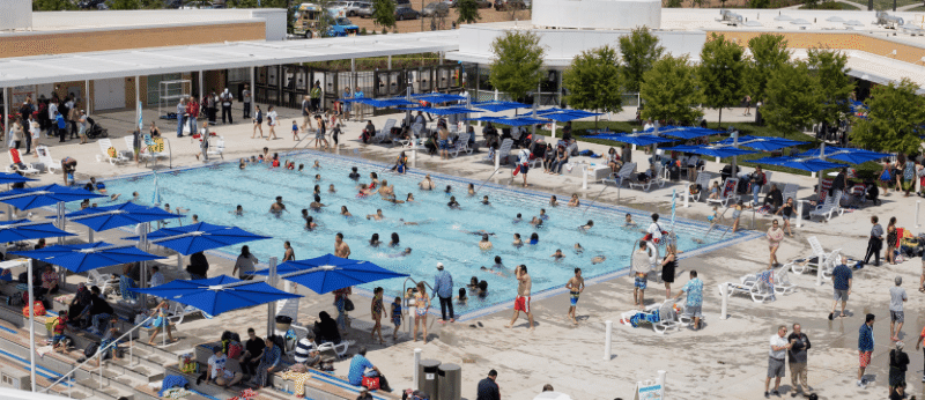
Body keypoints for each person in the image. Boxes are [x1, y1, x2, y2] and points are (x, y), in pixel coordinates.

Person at [765, 325, 792, 398]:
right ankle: (766, 391)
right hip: (774, 359)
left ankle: (776, 390)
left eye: (786, 331)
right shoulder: (774, 338)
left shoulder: (785, 339)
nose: (785, 332)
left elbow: (788, 347)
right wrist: (784, 347)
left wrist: (791, 345)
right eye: (784, 331)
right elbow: (774, 348)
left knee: (779, 377)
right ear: (779, 331)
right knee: (769, 376)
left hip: (782, 360)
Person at [506, 265, 535, 330]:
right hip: (519, 296)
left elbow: (518, 278)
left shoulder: (526, 276)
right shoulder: (521, 275)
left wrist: (518, 270)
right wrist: (517, 268)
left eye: (521, 271)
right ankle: (511, 324)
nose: (519, 272)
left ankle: (532, 326)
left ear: (524, 271)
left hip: (524, 297)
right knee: (516, 311)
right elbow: (515, 274)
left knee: (527, 312)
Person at [788, 323, 812, 397]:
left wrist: (805, 345)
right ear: (794, 329)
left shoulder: (804, 335)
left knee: (804, 376)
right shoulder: (790, 337)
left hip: (803, 361)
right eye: (797, 329)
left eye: (800, 328)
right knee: (794, 376)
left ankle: (805, 391)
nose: (799, 330)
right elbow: (794, 346)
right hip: (794, 361)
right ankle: (794, 390)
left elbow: (809, 345)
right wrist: (803, 344)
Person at [829, 256, 852, 320]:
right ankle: (841, 313)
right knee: (844, 300)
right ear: (846, 261)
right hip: (844, 287)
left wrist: (834, 282)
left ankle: (832, 311)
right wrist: (850, 288)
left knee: (835, 299)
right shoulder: (848, 270)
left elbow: (833, 276)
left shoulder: (836, 268)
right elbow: (849, 280)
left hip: (837, 286)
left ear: (841, 261)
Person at [858, 314, 876, 388]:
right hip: (864, 350)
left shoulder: (870, 326)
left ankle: (862, 378)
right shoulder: (863, 329)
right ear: (871, 320)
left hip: (869, 349)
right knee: (862, 366)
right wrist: (862, 351)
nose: (874, 321)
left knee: (865, 365)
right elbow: (861, 341)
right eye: (874, 320)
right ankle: (859, 381)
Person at [632, 241, 652, 310]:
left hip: (637, 273)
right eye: (646, 246)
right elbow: (649, 261)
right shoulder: (645, 253)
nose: (646, 247)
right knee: (641, 290)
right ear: (644, 246)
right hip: (642, 274)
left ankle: (635, 302)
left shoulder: (635, 252)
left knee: (636, 287)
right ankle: (641, 304)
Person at [890, 276, 908, 342]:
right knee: (901, 322)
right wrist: (902, 299)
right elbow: (905, 299)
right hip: (898, 308)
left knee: (892, 321)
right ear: (901, 282)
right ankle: (896, 336)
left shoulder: (891, 288)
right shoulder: (902, 290)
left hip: (891, 307)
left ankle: (892, 335)